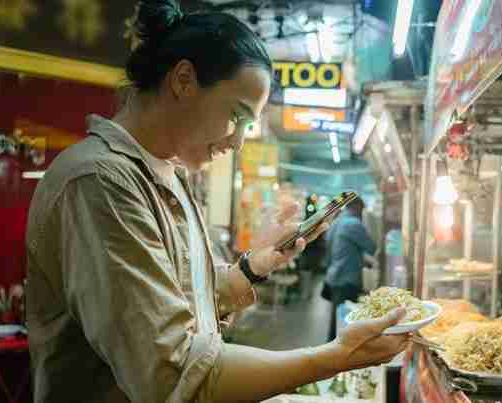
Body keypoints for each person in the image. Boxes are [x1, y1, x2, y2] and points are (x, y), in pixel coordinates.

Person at [25, 2, 408, 402]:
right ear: (184, 80)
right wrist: (333, 356)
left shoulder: (170, 177)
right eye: (236, 115)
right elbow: (172, 374)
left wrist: (255, 265)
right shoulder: (101, 183)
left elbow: (179, 298)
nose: (238, 141)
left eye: (249, 125)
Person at [325, 196, 377, 341]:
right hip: (348, 278)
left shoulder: (336, 222)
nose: (362, 214)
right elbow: (372, 247)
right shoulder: (353, 224)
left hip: (334, 276)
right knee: (346, 323)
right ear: (357, 207)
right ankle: (338, 358)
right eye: (361, 210)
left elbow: (331, 248)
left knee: (336, 321)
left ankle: (329, 354)